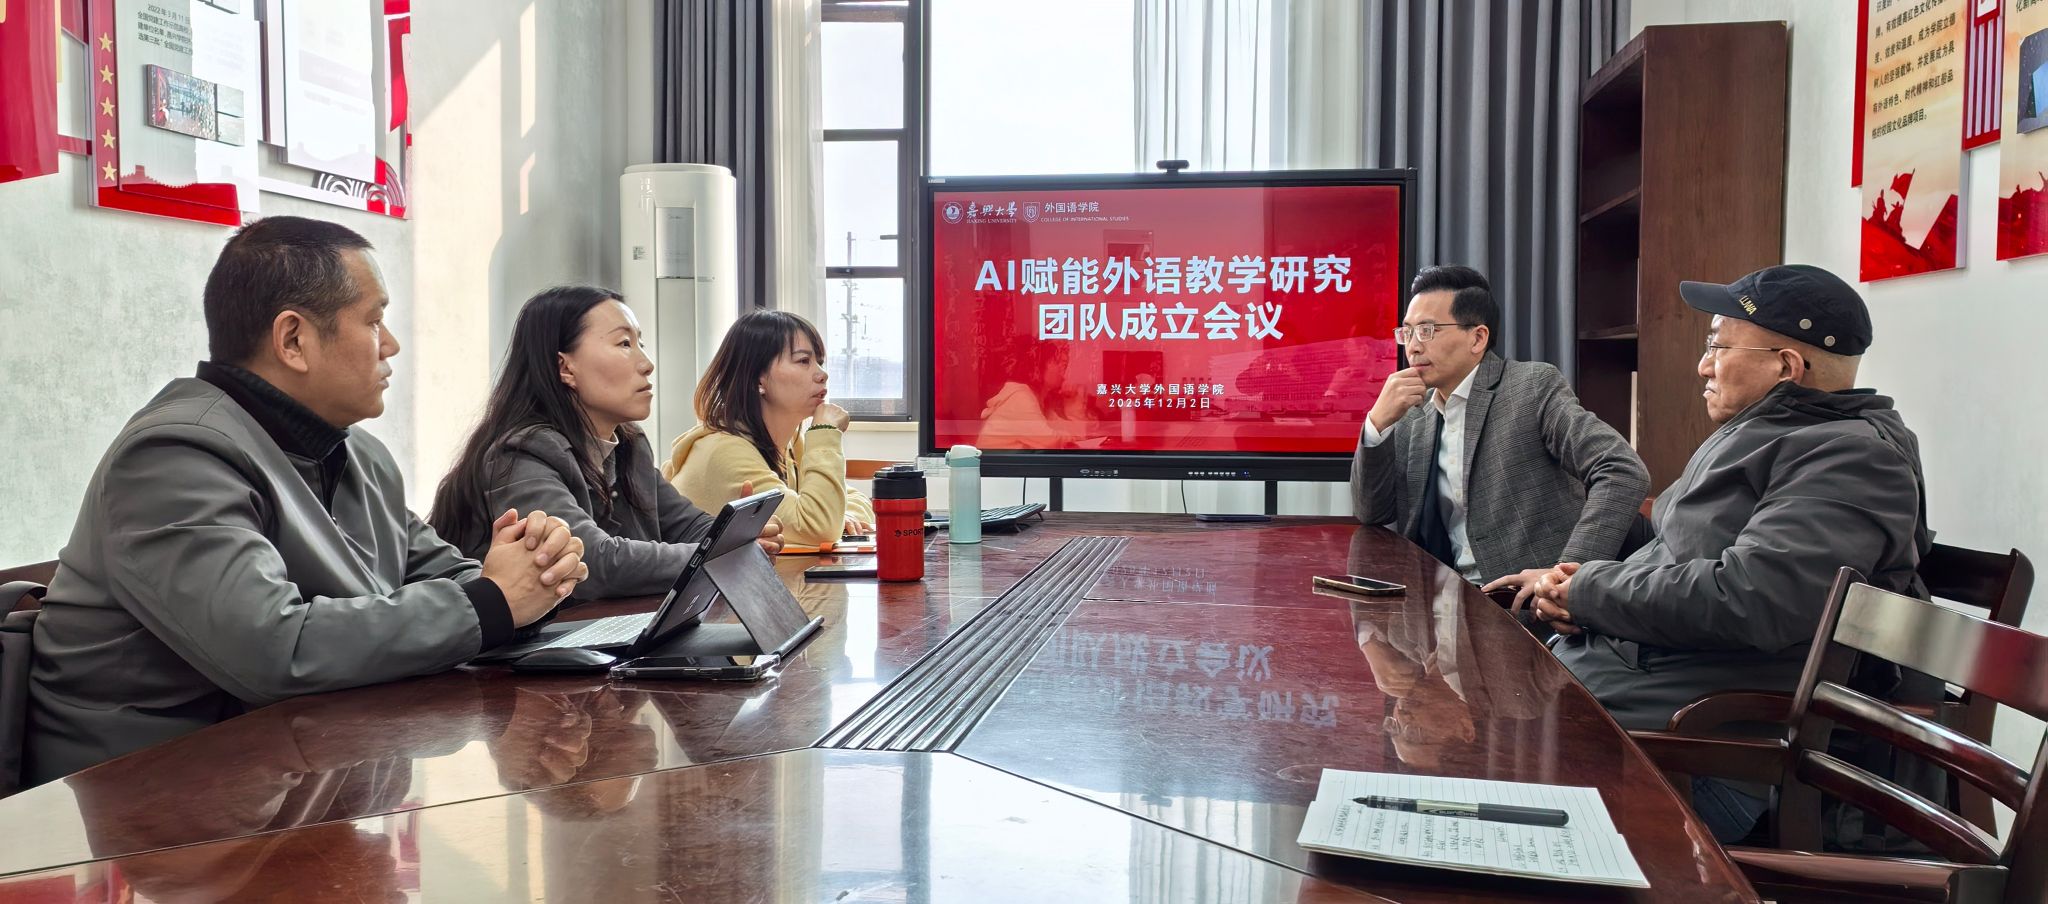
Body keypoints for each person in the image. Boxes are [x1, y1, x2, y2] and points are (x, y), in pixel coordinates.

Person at [26, 216, 589, 785]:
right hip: (153, 799)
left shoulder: (357, 453)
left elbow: (445, 575)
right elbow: (271, 650)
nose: (391, 345)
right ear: (293, 340)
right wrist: (495, 601)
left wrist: (532, 577)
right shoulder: (173, 456)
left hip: (305, 769)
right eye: (374, 320)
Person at [1523, 264, 1930, 842]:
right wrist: (1573, 584)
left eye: (1719, 346)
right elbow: (1678, 553)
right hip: (1621, 705)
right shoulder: (1767, 433)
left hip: (1697, 754)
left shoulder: (1851, 459)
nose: (1703, 365)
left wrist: (1592, 592)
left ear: (1786, 367)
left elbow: (1753, 598)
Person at [429, 286, 782, 599]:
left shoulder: (628, 446)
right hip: (514, 650)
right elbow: (590, 563)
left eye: (640, 343)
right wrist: (721, 552)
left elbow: (686, 526)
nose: (647, 364)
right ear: (565, 368)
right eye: (624, 344)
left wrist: (741, 536)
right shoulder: (521, 454)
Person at [1352, 265, 1649, 585]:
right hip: (1443, 595)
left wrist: (1566, 576)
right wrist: (1377, 423)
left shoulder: (1531, 387)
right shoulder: (1413, 410)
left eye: (1427, 330)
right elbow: (1373, 512)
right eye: (1407, 332)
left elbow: (1622, 470)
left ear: (1477, 338)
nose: (1413, 346)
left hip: (1528, 599)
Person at [664, 310, 875, 548]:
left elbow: (855, 500)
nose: (822, 374)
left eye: (819, 362)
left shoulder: (790, 444)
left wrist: (843, 516)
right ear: (758, 378)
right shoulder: (725, 452)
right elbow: (819, 529)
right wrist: (825, 432)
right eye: (803, 361)